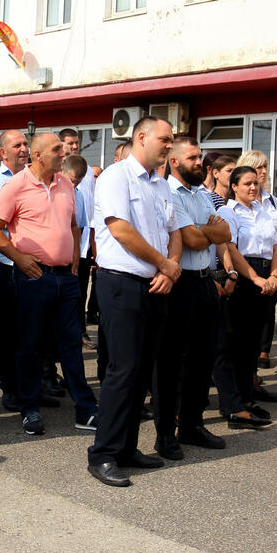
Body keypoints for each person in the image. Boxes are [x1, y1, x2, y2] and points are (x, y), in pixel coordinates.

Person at [86, 116, 177, 487]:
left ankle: (127, 449)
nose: (170, 145)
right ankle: (103, 454)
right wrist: (164, 264)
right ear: (141, 137)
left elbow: (174, 232)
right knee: (122, 371)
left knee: (142, 372)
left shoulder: (161, 184)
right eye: (165, 139)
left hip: (155, 285)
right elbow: (120, 229)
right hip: (121, 284)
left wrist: (168, 270)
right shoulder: (115, 177)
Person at [0, 133, 98, 436]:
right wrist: (18, 258)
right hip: (33, 277)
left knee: (71, 344)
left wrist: (76, 255)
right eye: (56, 149)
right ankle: (29, 407)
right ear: (38, 155)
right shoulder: (16, 186)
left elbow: (74, 225)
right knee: (30, 344)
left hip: (66, 277)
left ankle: (85, 409)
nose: (63, 153)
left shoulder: (65, 184)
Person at [154, 136, 232, 461]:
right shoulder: (169, 192)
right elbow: (191, 240)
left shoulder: (202, 193)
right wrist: (206, 232)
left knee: (203, 358)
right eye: (193, 158)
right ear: (174, 161)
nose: (200, 163)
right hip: (180, 284)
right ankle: (165, 435)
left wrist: (206, 232)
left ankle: (192, 424)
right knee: (172, 362)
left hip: (205, 282)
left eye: (200, 158)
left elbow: (224, 234)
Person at [217, 166, 277, 416]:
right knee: (236, 342)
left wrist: (275, 274)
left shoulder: (265, 210)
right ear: (234, 187)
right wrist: (254, 277)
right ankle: (232, 404)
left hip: (266, 276)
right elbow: (230, 247)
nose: (253, 188)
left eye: (255, 183)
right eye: (247, 184)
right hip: (244, 275)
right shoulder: (228, 211)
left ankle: (246, 398)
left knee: (253, 342)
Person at [0, 130, 29, 412]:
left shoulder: (34, 178)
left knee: (32, 331)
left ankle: (31, 386)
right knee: (9, 331)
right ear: (3, 153)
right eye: (17, 145)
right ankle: (9, 387)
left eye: (26, 144)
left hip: (33, 264)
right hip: (6, 263)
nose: (23, 149)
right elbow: (11, 217)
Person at [236, 151, 277, 377]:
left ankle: (255, 372)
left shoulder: (272, 200)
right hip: (246, 268)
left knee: (265, 318)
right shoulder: (233, 206)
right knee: (243, 329)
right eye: (258, 167)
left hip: (271, 267)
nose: (264, 171)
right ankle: (247, 380)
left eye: (265, 166)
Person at [62, 155, 96, 349]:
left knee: (76, 297)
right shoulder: (54, 191)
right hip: (54, 257)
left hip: (74, 255)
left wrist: (75, 254)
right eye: (72, 179)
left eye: (78, 181)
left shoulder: (79, 195)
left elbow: (80, 228)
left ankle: (75, 336)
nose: (73, 183)